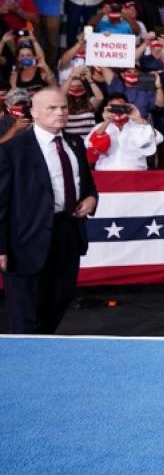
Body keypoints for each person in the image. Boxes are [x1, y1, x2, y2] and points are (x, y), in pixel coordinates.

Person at [0, 87, 98, 333]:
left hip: (67, 234)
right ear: (33, 112)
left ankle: (43, 349)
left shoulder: (75, 142)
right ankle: (25, 355)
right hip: (26, 240)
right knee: (26, 314)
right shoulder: (13, 149)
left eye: (63, 107)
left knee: (59, 299)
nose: (60, 112)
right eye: (52, 108)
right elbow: (1, 203)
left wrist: (91, 199)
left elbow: (87, 184)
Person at [86, 98, 161, 170]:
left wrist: (138, 119)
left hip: (135, 174)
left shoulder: (139, 125)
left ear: (128, 107)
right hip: (104, 174)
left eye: (121, 107)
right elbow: (89, 145)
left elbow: (158, 139)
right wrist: (106, 122)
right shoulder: (100, 127)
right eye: (113, 108)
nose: (117, 111)